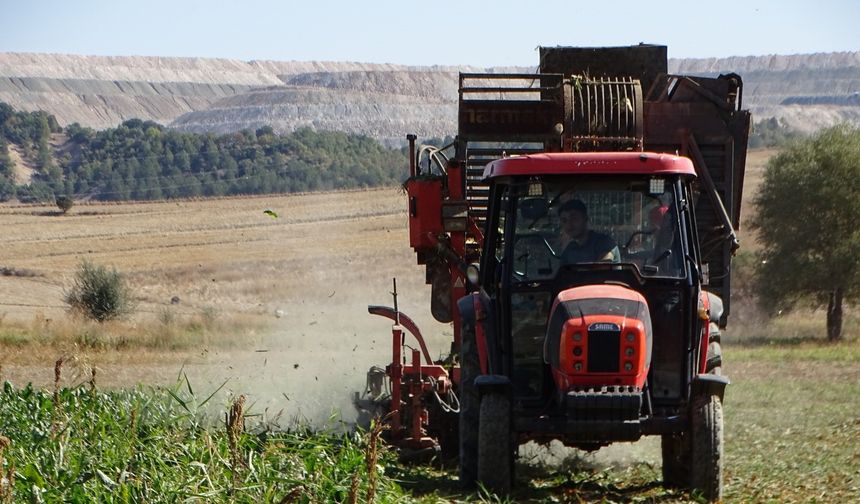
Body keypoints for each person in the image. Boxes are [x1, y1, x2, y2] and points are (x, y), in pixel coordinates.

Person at [557, 199, 619, 263]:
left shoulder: (603, 242)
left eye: (574, 218)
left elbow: (604, 266)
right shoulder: (570, 248)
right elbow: (562, 271)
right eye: (564, 220)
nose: (569, 225)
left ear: (585, 218)